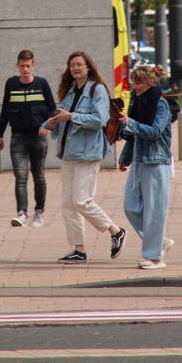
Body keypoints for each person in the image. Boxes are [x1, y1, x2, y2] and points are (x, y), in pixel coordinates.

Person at [45, 50, 126, 264]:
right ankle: (78, 249)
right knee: (68, 204)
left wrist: (71, 116)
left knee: (82, 200)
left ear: (88, 67)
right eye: (72, 65)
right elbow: (62, 116)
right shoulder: (71, 91)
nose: (75, 68)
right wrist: (51, 123)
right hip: (69, 152)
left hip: (88, 152)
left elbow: (99, 119)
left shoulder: (97, 90)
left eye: (79, 64)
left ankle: (115, 230)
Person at [119, 65, 174, 270]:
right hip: (140, 159)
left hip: (157, 161)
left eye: (139, 82)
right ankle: (159, 241)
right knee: (130, 206)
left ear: (150, 83)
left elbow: (155, 131)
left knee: (155, 210)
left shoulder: (160, 104)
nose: (135, 86)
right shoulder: (139, 101)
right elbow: (133, 136)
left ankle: (155, 257)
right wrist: (125, 157)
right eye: (134, 81)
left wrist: (130, 123)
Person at [0, 49, 56, 228]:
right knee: (20, 176)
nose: (25, 69)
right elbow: (5, 110)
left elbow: (53, 110)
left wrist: (48, 125)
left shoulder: (42, 84)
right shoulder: (11, 84)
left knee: (39, 176)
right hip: (18, 137)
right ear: (17, 66)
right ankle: (21, 213)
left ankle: (39, 212)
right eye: (22, 66)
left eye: (28, 66)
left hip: (38, 138)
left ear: (33, 65)